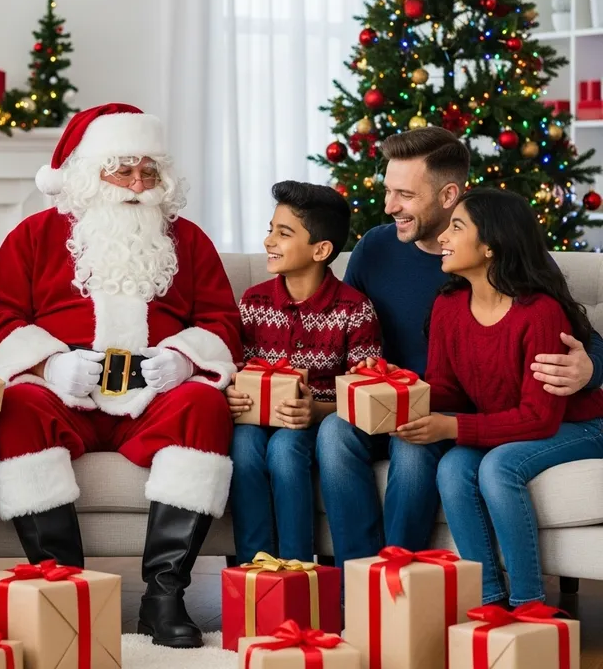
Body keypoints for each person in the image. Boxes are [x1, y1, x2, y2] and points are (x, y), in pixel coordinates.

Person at [0, 103, 241, 649]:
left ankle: (163, 598)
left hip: (153, 396)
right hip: (63, 393)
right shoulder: (34, 235)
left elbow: (221, 320)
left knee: (204, 406)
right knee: (17, 406)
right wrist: (49, 364)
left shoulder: (187, 239)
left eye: (149, 171)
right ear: (88, 173)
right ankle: (62, 589)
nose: (138, 184)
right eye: (122, 170)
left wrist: (185, 359)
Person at [316, 126, 603, 572]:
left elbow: (571, 328)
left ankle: (400, 579)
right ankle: (356, 585)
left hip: (457, 409)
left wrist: (591, 368)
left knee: (413, 451)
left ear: (449, 194)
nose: (389, 206)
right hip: (395, 399)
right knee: (335, 432)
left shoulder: (502, 253)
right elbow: (342, 327)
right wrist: (362, 366)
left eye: (405, 195)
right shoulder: (375, 248)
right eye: (388, 191)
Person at [397, 187, 603, 607]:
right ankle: (489, 602)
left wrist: (452, 427)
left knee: (498, 467)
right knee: (453, 467)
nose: (443, 238)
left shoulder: (540, 312)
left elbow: (539, 418)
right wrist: (395, 391)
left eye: (457, 227)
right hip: (515, 423)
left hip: (581, 425)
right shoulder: (449, 306)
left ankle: (529, 606)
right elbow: (447, 389)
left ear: (490, 245)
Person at [227, 180, 381, 564]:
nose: (268, 241)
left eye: (283, 233)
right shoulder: (254, 302)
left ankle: (296, 571)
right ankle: (254, 570)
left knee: (284, 449)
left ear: (321, 250)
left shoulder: (354, 309)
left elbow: (366, 395)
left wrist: (317, 411)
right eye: (270, 230)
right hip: (256, 423)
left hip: (316, 425)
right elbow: (238, 369)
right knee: (243, 445)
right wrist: (232, 393)